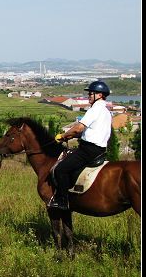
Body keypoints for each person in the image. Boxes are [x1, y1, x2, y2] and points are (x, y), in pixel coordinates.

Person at [48, 80, 112, 211]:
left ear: (99, 95)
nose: (88, 96)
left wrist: (64, 136)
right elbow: (89, 132)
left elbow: (78, 128)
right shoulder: (105, 111)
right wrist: (74, 136)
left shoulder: (95, 109)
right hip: (100, 149)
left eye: (91, 93)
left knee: (61, 169)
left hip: (88, 150)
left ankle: (62, 201)